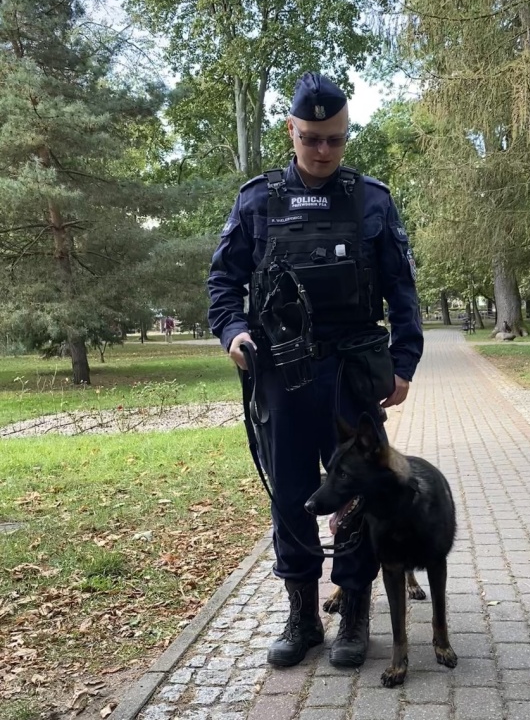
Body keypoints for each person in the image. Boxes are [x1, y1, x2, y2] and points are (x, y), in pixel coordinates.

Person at [207, 72, 423, 669]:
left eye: (335, 139)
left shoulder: (371, 199)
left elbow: (403, 292)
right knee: (293, 498)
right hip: (280, 373)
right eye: (311, 139)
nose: (323, 150)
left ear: (346, 133)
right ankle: (302, 616)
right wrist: (233, 330)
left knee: (357, 493)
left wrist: (403, 365)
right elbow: (223, 282)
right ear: (291, 131)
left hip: (353, 374)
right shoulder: (258, 200)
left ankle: (354, 614)